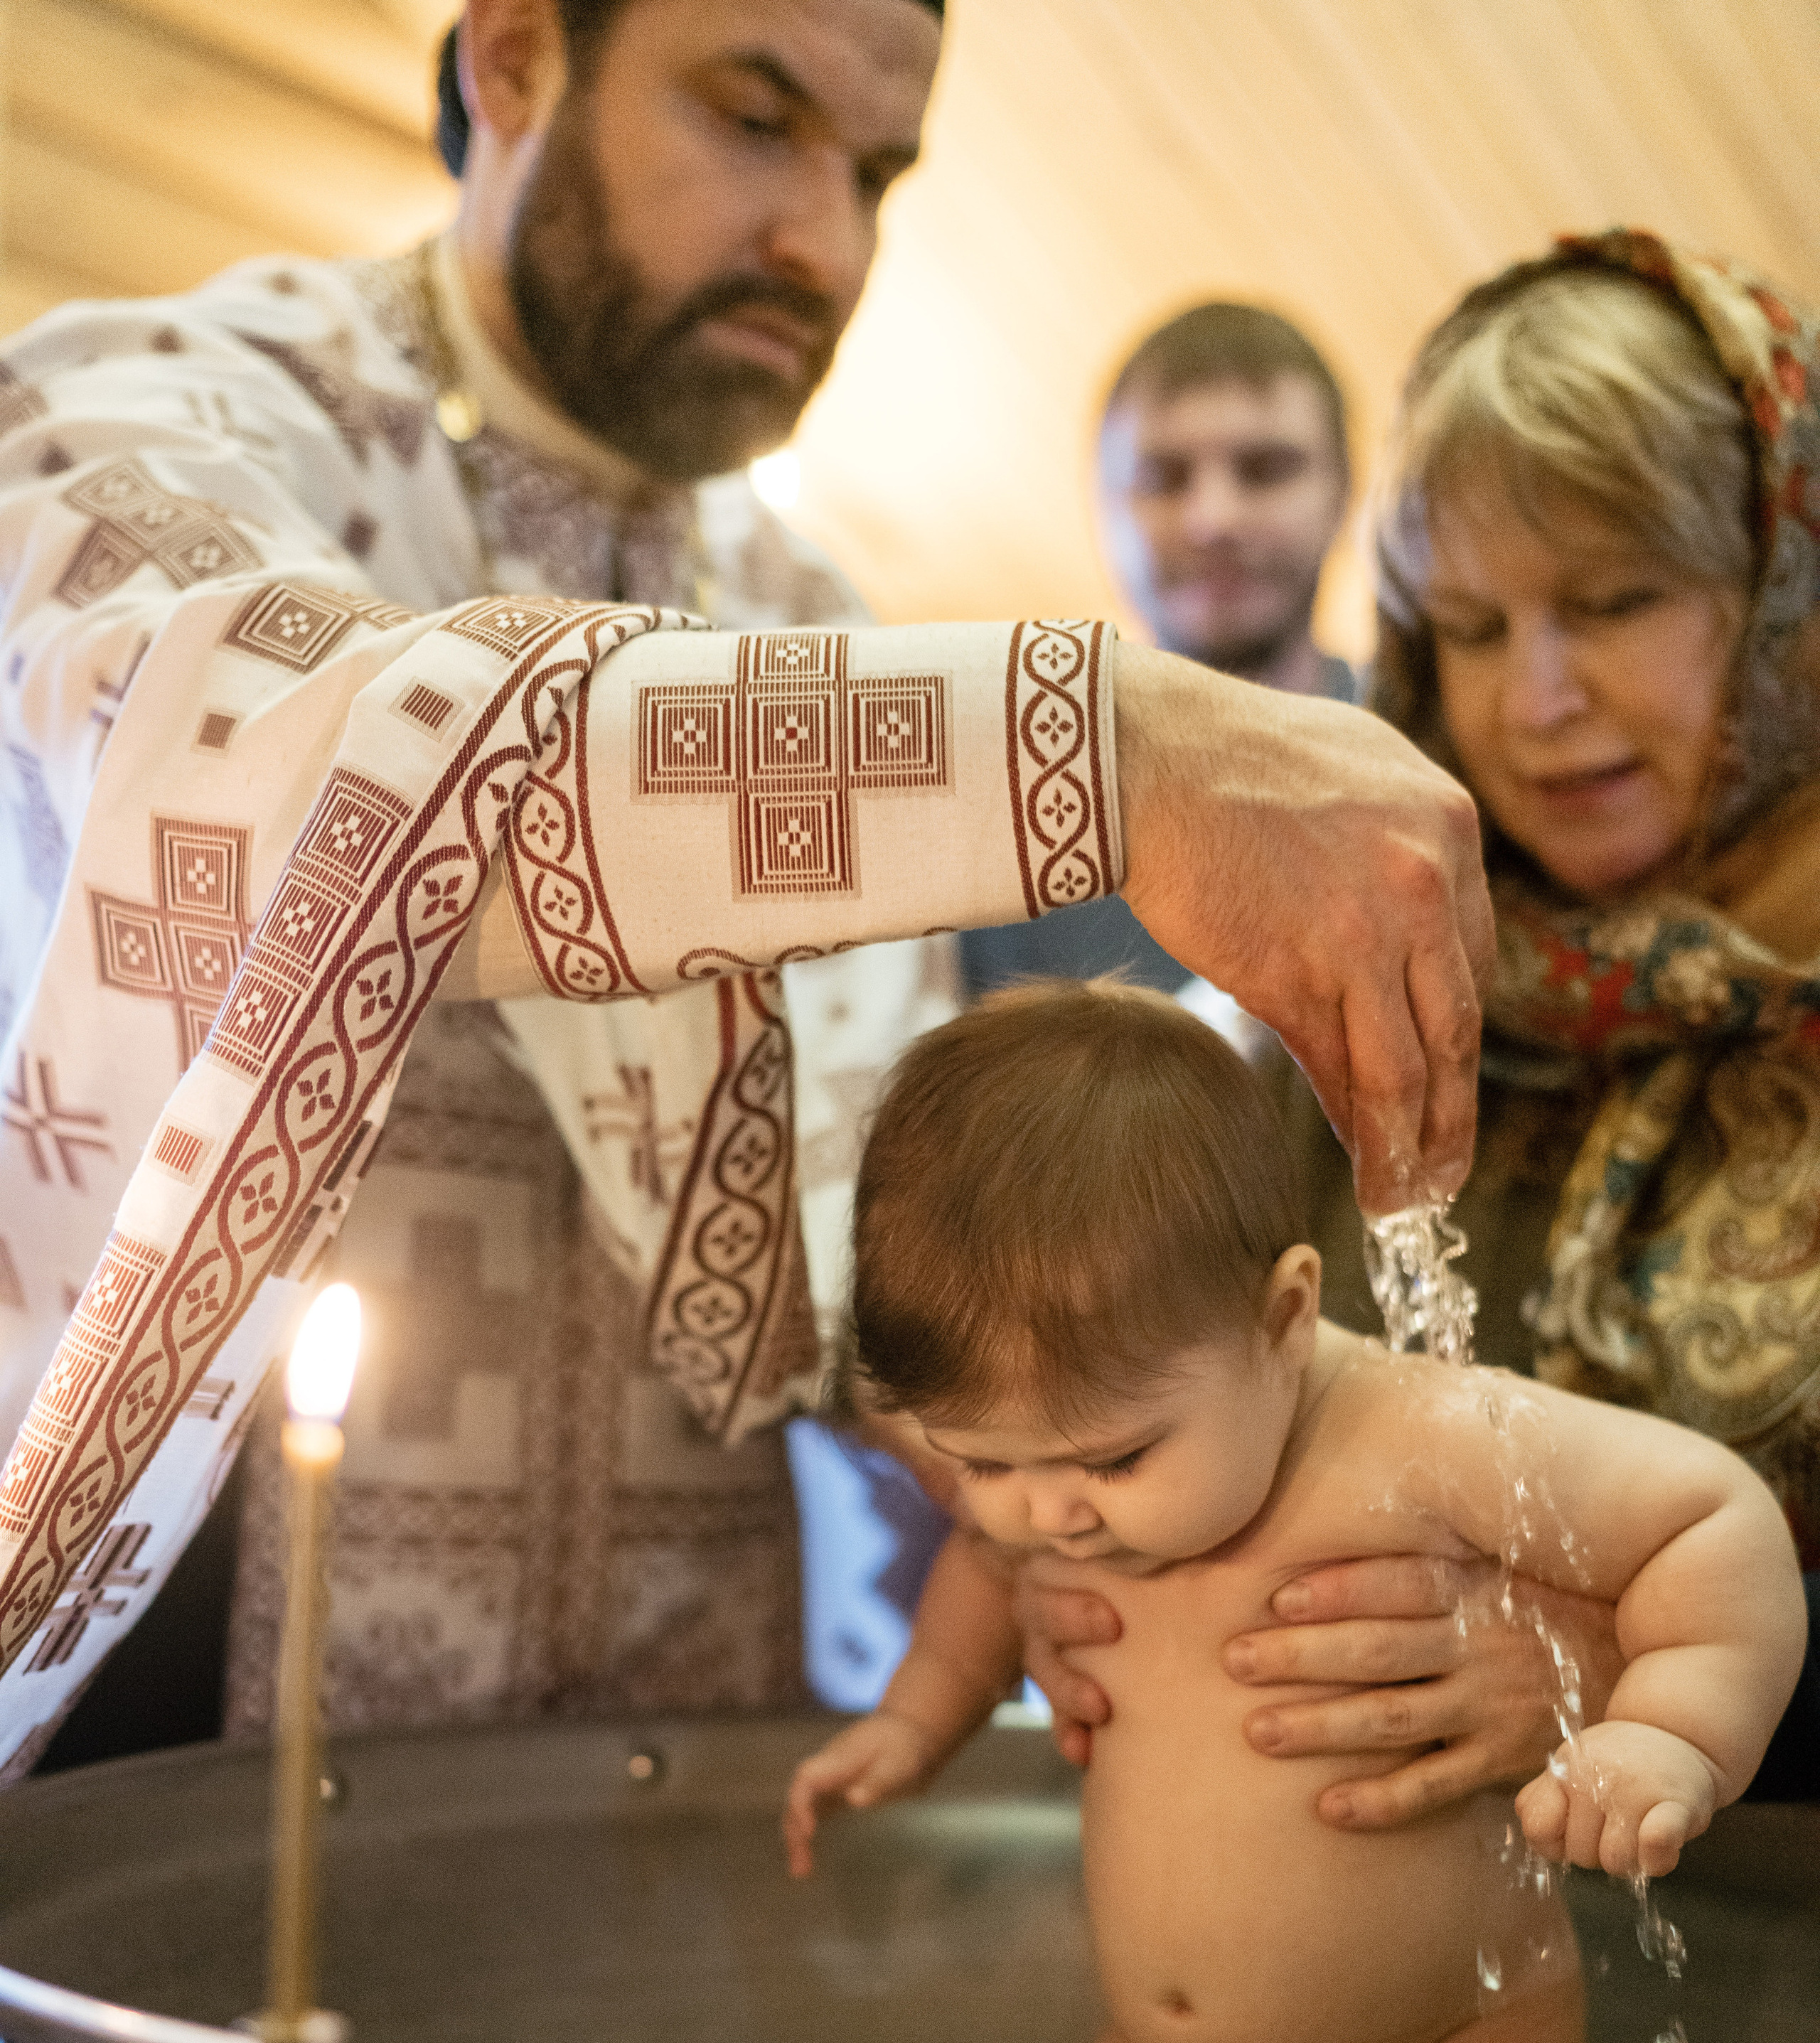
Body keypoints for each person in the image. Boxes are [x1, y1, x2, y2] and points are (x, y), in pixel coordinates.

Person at [0, 0, 1491, 1779]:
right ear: (515, 64)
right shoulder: (148, 404)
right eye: (753, 117)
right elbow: (278, 774)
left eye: (875, 173)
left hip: (691, 1713)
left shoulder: (810, 607)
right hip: (184, 1721)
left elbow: (859, 1225)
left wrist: (1179, 1464)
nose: (828, 245)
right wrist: (1084, 740)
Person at [1036, 228, 1820, 1821]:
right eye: (1467, 627)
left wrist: (1657, 1664)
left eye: (1612, 601)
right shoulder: (1358, 993)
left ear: (1780, 596)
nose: (1534, 699)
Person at [783, 984, 1805, 2043]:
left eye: (1112, 1460)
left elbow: (1712, 1518)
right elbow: (986, 1565)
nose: (1046, 1512)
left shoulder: (1425, 1439)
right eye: (983, 1462)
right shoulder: (1070, 1477)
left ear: (1283, 1315)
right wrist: (919, 1715)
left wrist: (1669, 1728)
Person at [961, 301, 1356, 1005]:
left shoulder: (1440, 750)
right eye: (1163, 478)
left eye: (1265, 470)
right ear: (1103, 508)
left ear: (1343, 492)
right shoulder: (1003, 815)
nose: (1214, 518)